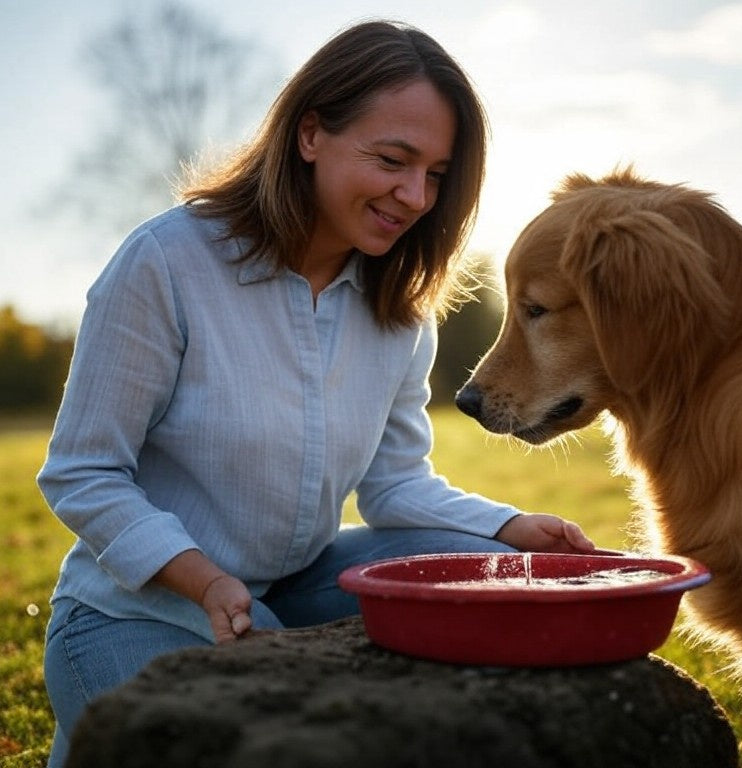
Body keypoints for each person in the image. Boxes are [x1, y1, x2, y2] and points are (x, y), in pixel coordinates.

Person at [37, 20, 594, 767]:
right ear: (309, 134)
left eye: (436, 173)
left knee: (479, 567)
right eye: (394, 160)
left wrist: (509, 527)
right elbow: (82, 471)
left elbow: (394, 487)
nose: (415, 195)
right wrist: (203, 580)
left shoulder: (398, 309)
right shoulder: (166, 263)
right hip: (129, 608)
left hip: (293, 585)